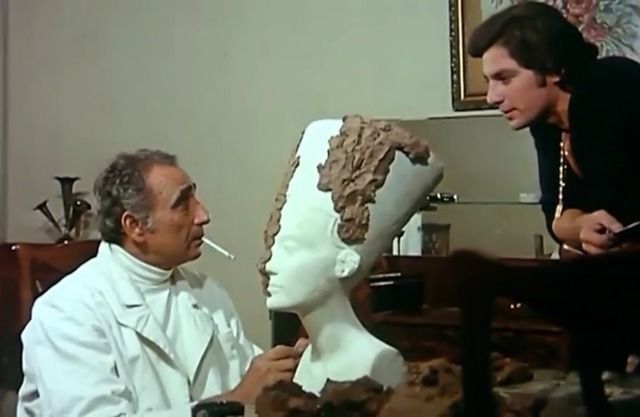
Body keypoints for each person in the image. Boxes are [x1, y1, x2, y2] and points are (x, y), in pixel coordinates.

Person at [16, 149, 307, 417]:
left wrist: (296, 365)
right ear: (135, 226)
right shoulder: (67, 312)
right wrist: (232, 402)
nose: (203, 215)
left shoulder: (207, 293)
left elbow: (251, 377)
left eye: (195, 198)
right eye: (183, 204)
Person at [257, 116, 444, 394]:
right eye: (271, 244)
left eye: (291, 248)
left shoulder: (377, 363)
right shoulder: (304, 360)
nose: (269, 264)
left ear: (346, 262)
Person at [468, 1, 640, 255]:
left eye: (504, 78)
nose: (492, 97)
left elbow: (615, 211)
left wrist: (585, 228)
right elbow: (556, 216)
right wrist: (581, 226)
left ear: (553, 69)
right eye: (489, 81)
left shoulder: (610, 85)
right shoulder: (547, 121)